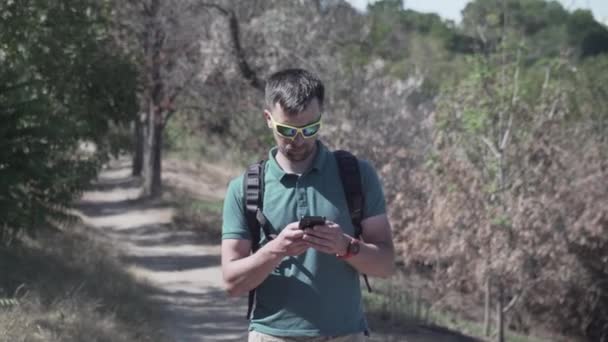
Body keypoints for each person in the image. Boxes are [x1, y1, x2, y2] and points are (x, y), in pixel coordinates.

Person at [221, 68, 395, 342]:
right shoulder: (244, 189)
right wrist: (276, 249)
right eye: (288, 130)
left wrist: (346, 246)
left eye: (309, 128)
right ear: (268, 119)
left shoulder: (357, 175)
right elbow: (232, 283)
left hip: (346, 334)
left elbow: (385, 265)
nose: (299, 139)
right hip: (272, 336)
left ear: (321, 119)